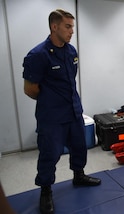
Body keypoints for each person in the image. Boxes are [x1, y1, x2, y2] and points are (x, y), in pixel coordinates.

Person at [23, 9, 101, 214]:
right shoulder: (38, 55)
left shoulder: (71, 51)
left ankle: (79, 175)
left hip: (73, 110)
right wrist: (51, 101)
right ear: (54, 26)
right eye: (68, 26)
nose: (72, 31)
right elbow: (30, 89)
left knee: (79, 146)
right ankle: (46, 190)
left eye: (73, 27)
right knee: (50, 153)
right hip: (52, 116)